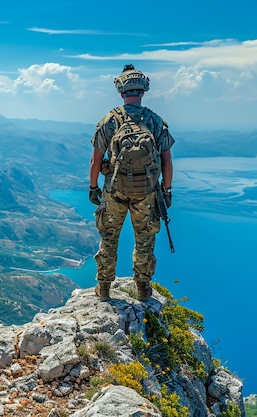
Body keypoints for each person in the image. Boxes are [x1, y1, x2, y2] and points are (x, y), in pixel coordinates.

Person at [88, 64, 174, 301]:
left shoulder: (109, 120)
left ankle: (104, 287)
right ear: (143, 92)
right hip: (146, 193)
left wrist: (93, 187)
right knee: (144, 239)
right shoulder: (156, 121)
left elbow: (96, 160)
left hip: (114, 190)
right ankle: (143, 289)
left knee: (109, 237)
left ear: (121, 92)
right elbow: (167, 162)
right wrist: (166, 191)